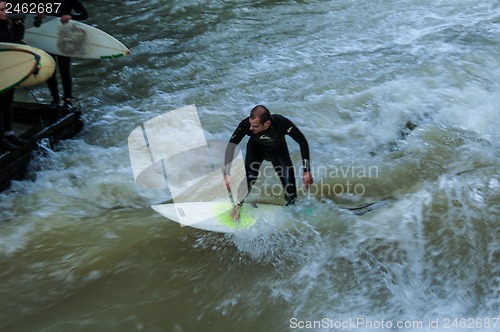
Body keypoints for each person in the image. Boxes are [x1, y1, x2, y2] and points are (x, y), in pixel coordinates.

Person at [224, 105, 314, 220]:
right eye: (250, 124)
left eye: (255, 126)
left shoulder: (282, 124)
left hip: (278, 152)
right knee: (250, 178)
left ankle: (291, 212)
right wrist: (227, 173)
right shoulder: (246, 125)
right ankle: (237, 206)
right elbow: (231, 145)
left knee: (290, 187)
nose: (251, 128)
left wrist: (306, 171)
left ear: (266, 123)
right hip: (256, 150)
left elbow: (302, 142)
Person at [44, 0, 88, 111]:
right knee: (50, 71)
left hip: (64, 38)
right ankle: (55, 99)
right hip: (46, 36)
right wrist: (38, 14)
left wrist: (70, 16)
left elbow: (84, 14)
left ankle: (67, 100)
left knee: (64, 71)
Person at [0, 0, 25, 150]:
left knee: (8, 102)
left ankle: (9, 133)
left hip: (9, 69)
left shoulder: (10, 25)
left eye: (5, 9)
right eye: (2, 10)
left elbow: (17, 45)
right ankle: (1, 137)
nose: (5, 12)